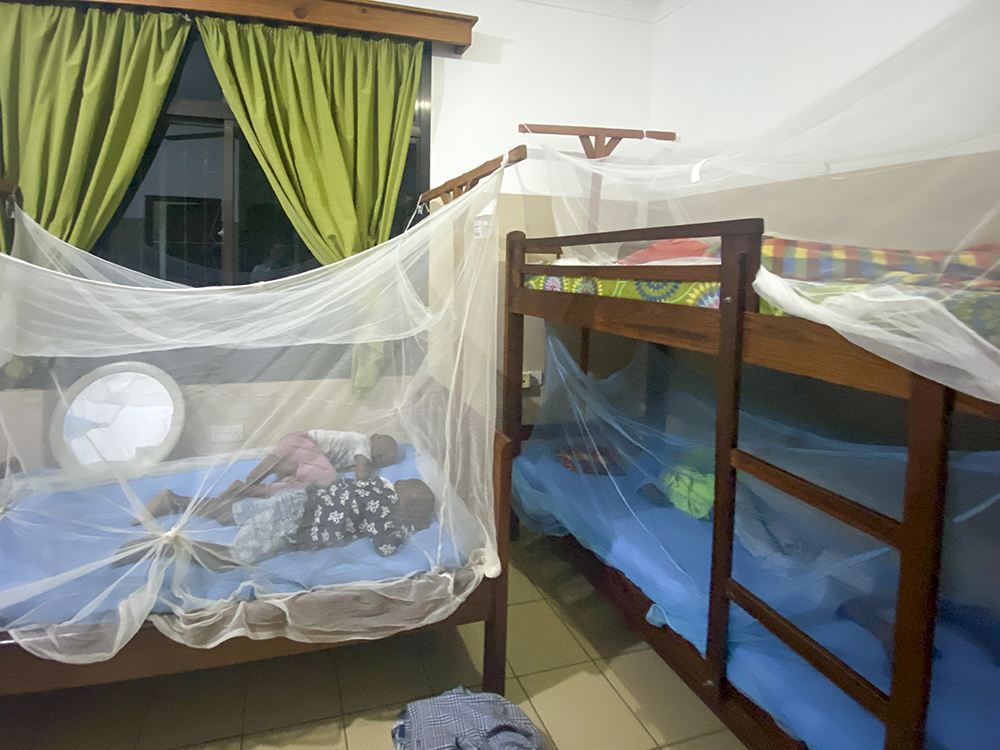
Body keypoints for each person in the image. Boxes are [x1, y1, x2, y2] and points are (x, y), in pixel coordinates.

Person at [116, 474, 436, 571]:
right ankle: (162, 547)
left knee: (229, 513)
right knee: (232, 558)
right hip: (294, 522)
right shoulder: (386, 509)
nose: (407, 511)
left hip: (295, 500)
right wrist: (408, 527)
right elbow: (384, 548)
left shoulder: (377, 484)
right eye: (411, 507)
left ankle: (174, 500)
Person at [134, 431, 399, 525]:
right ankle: (255, 485)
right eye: (383, 453)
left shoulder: (348, 452)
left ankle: (246, 487)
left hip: (298, 449)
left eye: (386, 461)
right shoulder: (361, 441)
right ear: (375, 438)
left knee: (297, 488)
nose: (380, 460)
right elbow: (362, 472)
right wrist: (366, 489)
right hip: (304, 445)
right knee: (328, 481)